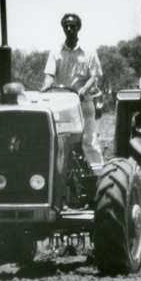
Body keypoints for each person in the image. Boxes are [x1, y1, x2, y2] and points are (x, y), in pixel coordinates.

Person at [42, 13, 104, 166]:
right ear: (63, 28)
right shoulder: (56, 52)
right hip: (62, 103)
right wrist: (45, 86)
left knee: (89, 141)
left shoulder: (88, 51)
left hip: (83, 102)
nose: (69, 29)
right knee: (60, 139)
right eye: (66, 26)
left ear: (78, 28)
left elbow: (94, 77)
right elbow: (50, 74)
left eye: (73, 26)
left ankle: (97, 174)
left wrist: (84, 88)